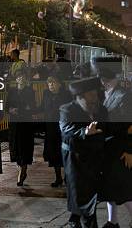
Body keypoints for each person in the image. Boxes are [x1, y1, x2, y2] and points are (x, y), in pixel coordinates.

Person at [60, 77, 109, 228]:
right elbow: (66, 129)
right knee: (79, 193)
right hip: (75, 160)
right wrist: (84, 132)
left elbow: (106, 129)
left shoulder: (101, 109)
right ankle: (83, 222)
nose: (95, 98)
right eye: (91, 95)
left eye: (95, 94)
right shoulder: (67, 109)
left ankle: (75, 219)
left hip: (94, 158)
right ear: (80, 96)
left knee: (89, 195)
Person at [91, 57, 132, 228]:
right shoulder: (105, 94)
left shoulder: (125, 96)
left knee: (123, 190)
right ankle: (112, 221)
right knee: (110, 188)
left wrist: (130, 150)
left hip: (121, 150)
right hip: (108, 149)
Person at [8, 73, 36, 186]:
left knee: (24, 146)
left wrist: (26, 108)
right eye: (19, 77)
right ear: (16, 79)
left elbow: (32, 106)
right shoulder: (12, 91)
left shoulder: (30, 91)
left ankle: (22, 171)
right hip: (14, 123)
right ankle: (21, 169)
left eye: (23, 77)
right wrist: (10, 110)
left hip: (25, 123)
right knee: (15, 146)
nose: (21, 78)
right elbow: (7, 106)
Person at [42, 75, 69, 187]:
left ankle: (67, 177)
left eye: (53, 83)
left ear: (60, 84)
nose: (51, 85)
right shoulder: (46, 94)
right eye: (49, 83)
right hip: (51, 128)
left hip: (63, 128)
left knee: (65, 152)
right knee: (54, 154)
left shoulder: (66, 95)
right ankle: (58, 177)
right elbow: (42, 108)